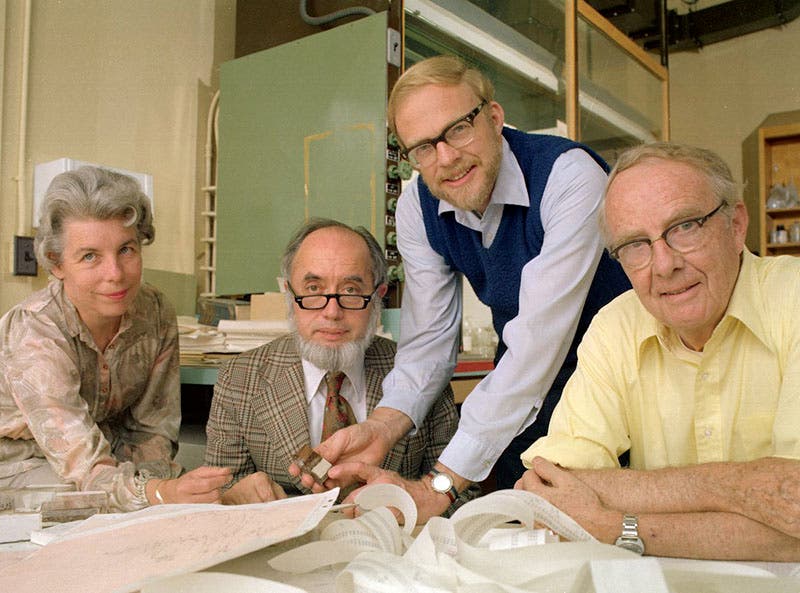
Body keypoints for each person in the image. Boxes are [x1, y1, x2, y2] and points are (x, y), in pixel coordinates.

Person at [297, 54, 629, 520]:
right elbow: (428, 341)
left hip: (614, 398)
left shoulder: (568, 177)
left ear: (494, 118)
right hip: (523, 411)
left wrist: (441, 485)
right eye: (423, 148)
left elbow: (536, 348)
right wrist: (384, 425)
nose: (446, 158)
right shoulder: (417, 205)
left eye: (457, 129)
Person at [517, 142, 800, 561]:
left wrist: (614, 526)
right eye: (635, 244)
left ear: (736, 224)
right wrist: (747, 487)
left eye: (685, 226)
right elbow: (545, 489)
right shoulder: (616, 326)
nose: (664, 264)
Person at [0, 166, 231, 511]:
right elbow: (85, 467)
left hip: (105, 464)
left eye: (126, 250)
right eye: (90, 256)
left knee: (202, 497)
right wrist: (156, 494)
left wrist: (163, 486)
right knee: (80, 505)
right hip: (20, 469)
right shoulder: (35, 330)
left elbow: (153, 432)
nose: (116, 274)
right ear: (57, 263)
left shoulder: (154, 311)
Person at [205, 219, 476, 512]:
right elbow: (217, 493)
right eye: (312, 289)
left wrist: (414, 498)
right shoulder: (239, 379)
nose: (332, 312)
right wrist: (232, 497)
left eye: (350, 290)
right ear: (288, 293)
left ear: (378, 296)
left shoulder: (422, 376)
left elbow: (461, 495)